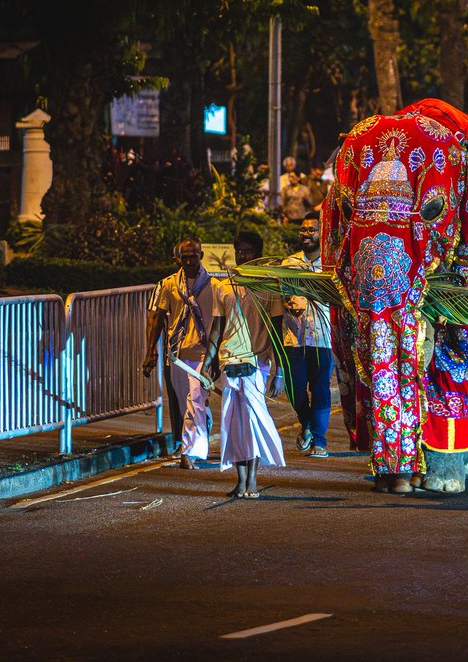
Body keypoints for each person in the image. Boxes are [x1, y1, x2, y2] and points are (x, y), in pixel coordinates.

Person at [202, 231, 287, 498]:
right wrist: (208, 361)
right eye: (239, 251)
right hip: (229, 361)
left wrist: (280, 370)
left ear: (259, 254)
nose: (242, 256)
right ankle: (241, 480)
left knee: (253, 423)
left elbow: (276, 330)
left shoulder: (268, 285)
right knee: (233, 424)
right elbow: (217, 327)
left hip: (257, 362)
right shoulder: (223, 286)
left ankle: (252, 480)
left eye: (248, 252)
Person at [141, 237, 215, 469]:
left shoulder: (214, 286)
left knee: (194, 401)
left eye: (194, 255)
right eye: (185, 256)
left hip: (204, 354)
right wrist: (151, 351)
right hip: (177, 355)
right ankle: (199, 433)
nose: (189, 260)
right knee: (189, 404)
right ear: (177, 259)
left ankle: (188, 452)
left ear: (201, 256)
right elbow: (155, 318)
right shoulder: (167, 285)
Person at [281, 210, 334, 457]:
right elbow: (282, 295)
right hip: (294, 337)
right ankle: (308, 425)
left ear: (322, 233)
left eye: (311, 230)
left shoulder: (331, 265)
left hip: (323, 337)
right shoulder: (290, 264)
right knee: (295, 388)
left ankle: (320, 442)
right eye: (303, 229)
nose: (306, 233)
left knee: (321, 388)